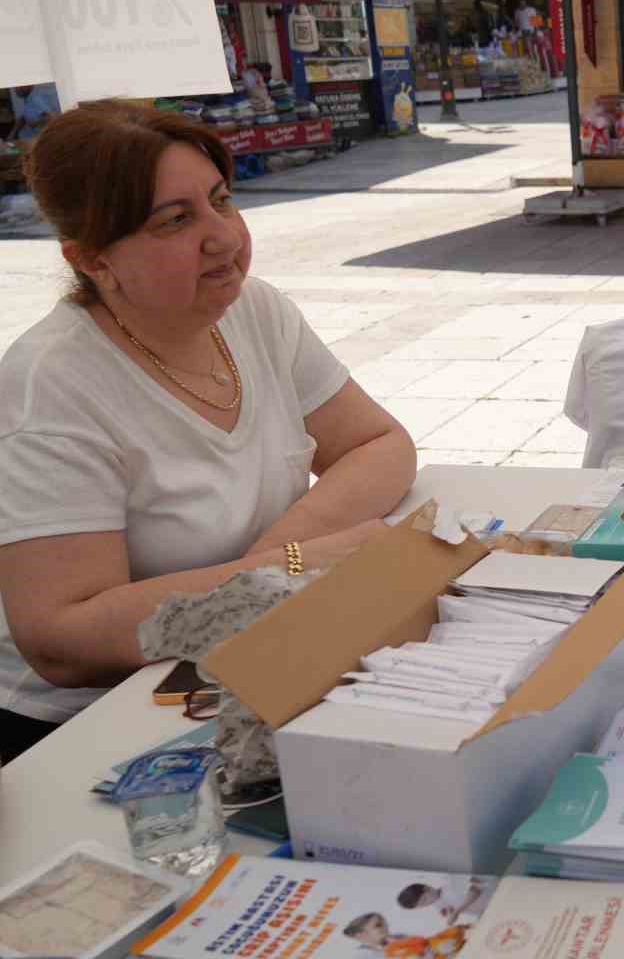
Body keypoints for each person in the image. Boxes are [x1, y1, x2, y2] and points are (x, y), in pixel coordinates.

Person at [0, 102, 417, 763]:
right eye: (176, 220)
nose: (223, 236)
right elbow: (59, 638)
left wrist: (277, 556)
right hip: (88, 730)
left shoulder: (253, 311)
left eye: (222, 200)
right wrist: (282, 572)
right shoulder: (50, 386)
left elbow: (379, 444)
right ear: (93, 261)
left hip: (243, 663)